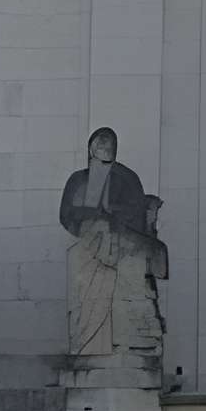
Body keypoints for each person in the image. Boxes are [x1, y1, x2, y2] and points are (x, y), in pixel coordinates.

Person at [58, 127, 169, 368]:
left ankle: (117, 344)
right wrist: (92, 217)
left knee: (117, 276)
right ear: (90, 148)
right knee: (78, 268)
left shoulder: (126, 178)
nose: (104, 148)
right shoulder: (78, 179)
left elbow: (135, 213)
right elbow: (66, 213)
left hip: (119, 245)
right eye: (99, 144)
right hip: (87, 244)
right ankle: (85, 345)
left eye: (109, 144)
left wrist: (109, 217)